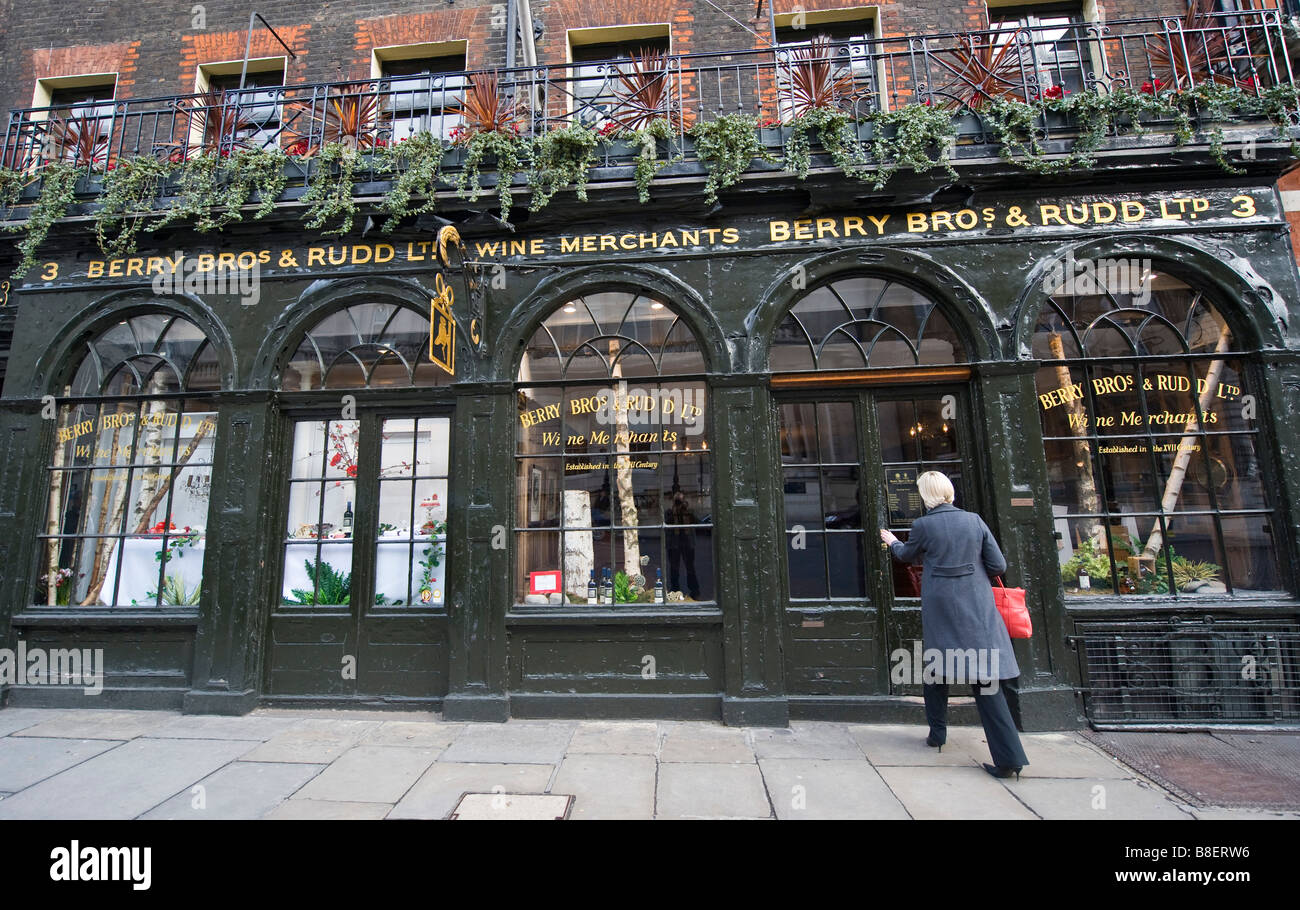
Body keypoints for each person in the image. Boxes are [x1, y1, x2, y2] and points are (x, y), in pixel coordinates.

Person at [880, 471, 1029, 780]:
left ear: (925, 496)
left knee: (936, 670)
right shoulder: (974, 521)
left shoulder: (923, 525)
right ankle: (1009, 757)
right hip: (976, 608)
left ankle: (938, 733)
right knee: (986, 682)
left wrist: (893, 542)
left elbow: (907, 556)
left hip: (942, 609)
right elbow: (998, 565)